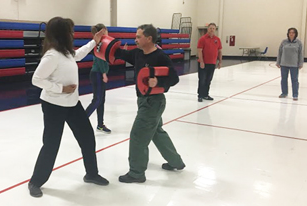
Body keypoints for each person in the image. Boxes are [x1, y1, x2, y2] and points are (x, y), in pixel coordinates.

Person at [29, 17, 109, 198]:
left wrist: (93, 42)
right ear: (62, 34)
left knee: (87, 138)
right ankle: (35, 181)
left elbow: (78, 54)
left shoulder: (66, 52)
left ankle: (91, 174)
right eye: (70, 31)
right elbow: (36, 79)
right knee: (51, 144)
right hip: (53, 106)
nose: (72, 34)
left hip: (73, 104)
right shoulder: (52, 55)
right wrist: (60, 88)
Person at [113, 24, 185, 183]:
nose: (135, 39)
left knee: (138, 135)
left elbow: (174, 78)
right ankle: (176, 162)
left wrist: (158, 81)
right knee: (156, 132)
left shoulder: (160, 57)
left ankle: (136, 173)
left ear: (149, 38)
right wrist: (101, 41)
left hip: (153, 102)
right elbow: (121, 53)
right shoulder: (138, 53)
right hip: (143, 101)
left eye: (139, 37)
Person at [85, 24, 111, 134]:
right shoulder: (98, 44)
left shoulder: (103, 43)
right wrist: (104, 73)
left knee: (101, 100)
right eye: (106, 31)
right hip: (97, 73)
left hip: (99, 73)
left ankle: (100, 124)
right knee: (97, 100)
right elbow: (100, 60)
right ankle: (82, 120)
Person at [197, 23, 222, 102]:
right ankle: (200, 95)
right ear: (208, 29)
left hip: (212, 63)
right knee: (202, 79)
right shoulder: (202, 39)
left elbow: (220, 51)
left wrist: (220, 61)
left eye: (213, 28)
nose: (212, 30)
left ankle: (206, 94)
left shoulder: (217, 40)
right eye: (210, 28)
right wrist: (201, 61)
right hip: (204, 63)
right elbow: (199, 51)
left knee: (208, 79)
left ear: (215, 30)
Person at [276, 27, 303, 101]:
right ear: (288, 34)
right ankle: (284, 93)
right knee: (283, 79)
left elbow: (300, 53)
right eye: (290, 32)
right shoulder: (284, 42)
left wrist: (300, 63)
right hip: (284, 64)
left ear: (295, 34)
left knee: (294, 80)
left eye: (293, 33)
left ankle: (295, 94)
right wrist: (278, 62)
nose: (291, 34)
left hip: (294, 64)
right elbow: (280, 52)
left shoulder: (299, 42)